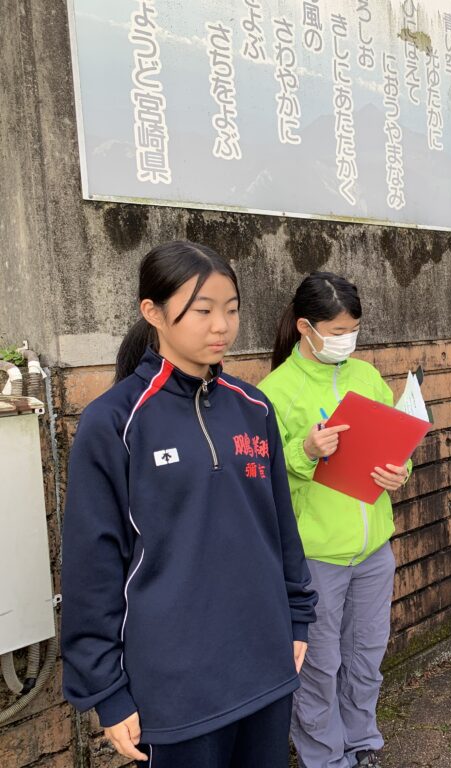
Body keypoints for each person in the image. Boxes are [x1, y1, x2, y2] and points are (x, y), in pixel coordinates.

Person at [60, 240, 318, 767]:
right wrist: (106, 689)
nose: (222, 326)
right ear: (153, 312)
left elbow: (279, 527)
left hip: (265, 665)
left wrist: (296, 618)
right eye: (203, 311)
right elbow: (92, 564)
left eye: (232, 309)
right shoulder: (115, 422)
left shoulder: (254, 407)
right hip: (176, 687)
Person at [259, 272, 410, 768]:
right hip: (316, 557)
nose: (347, 339)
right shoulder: (274, 392)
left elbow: (396, 446)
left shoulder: (365, 377)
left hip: (373, 550)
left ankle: (362, 743)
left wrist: (400, 471)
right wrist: (305, 451)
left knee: (366, 657)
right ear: (306, 327)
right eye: (338, 331)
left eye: (354, 330)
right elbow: (261, 479)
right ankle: (324, 757)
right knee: (319, 667)